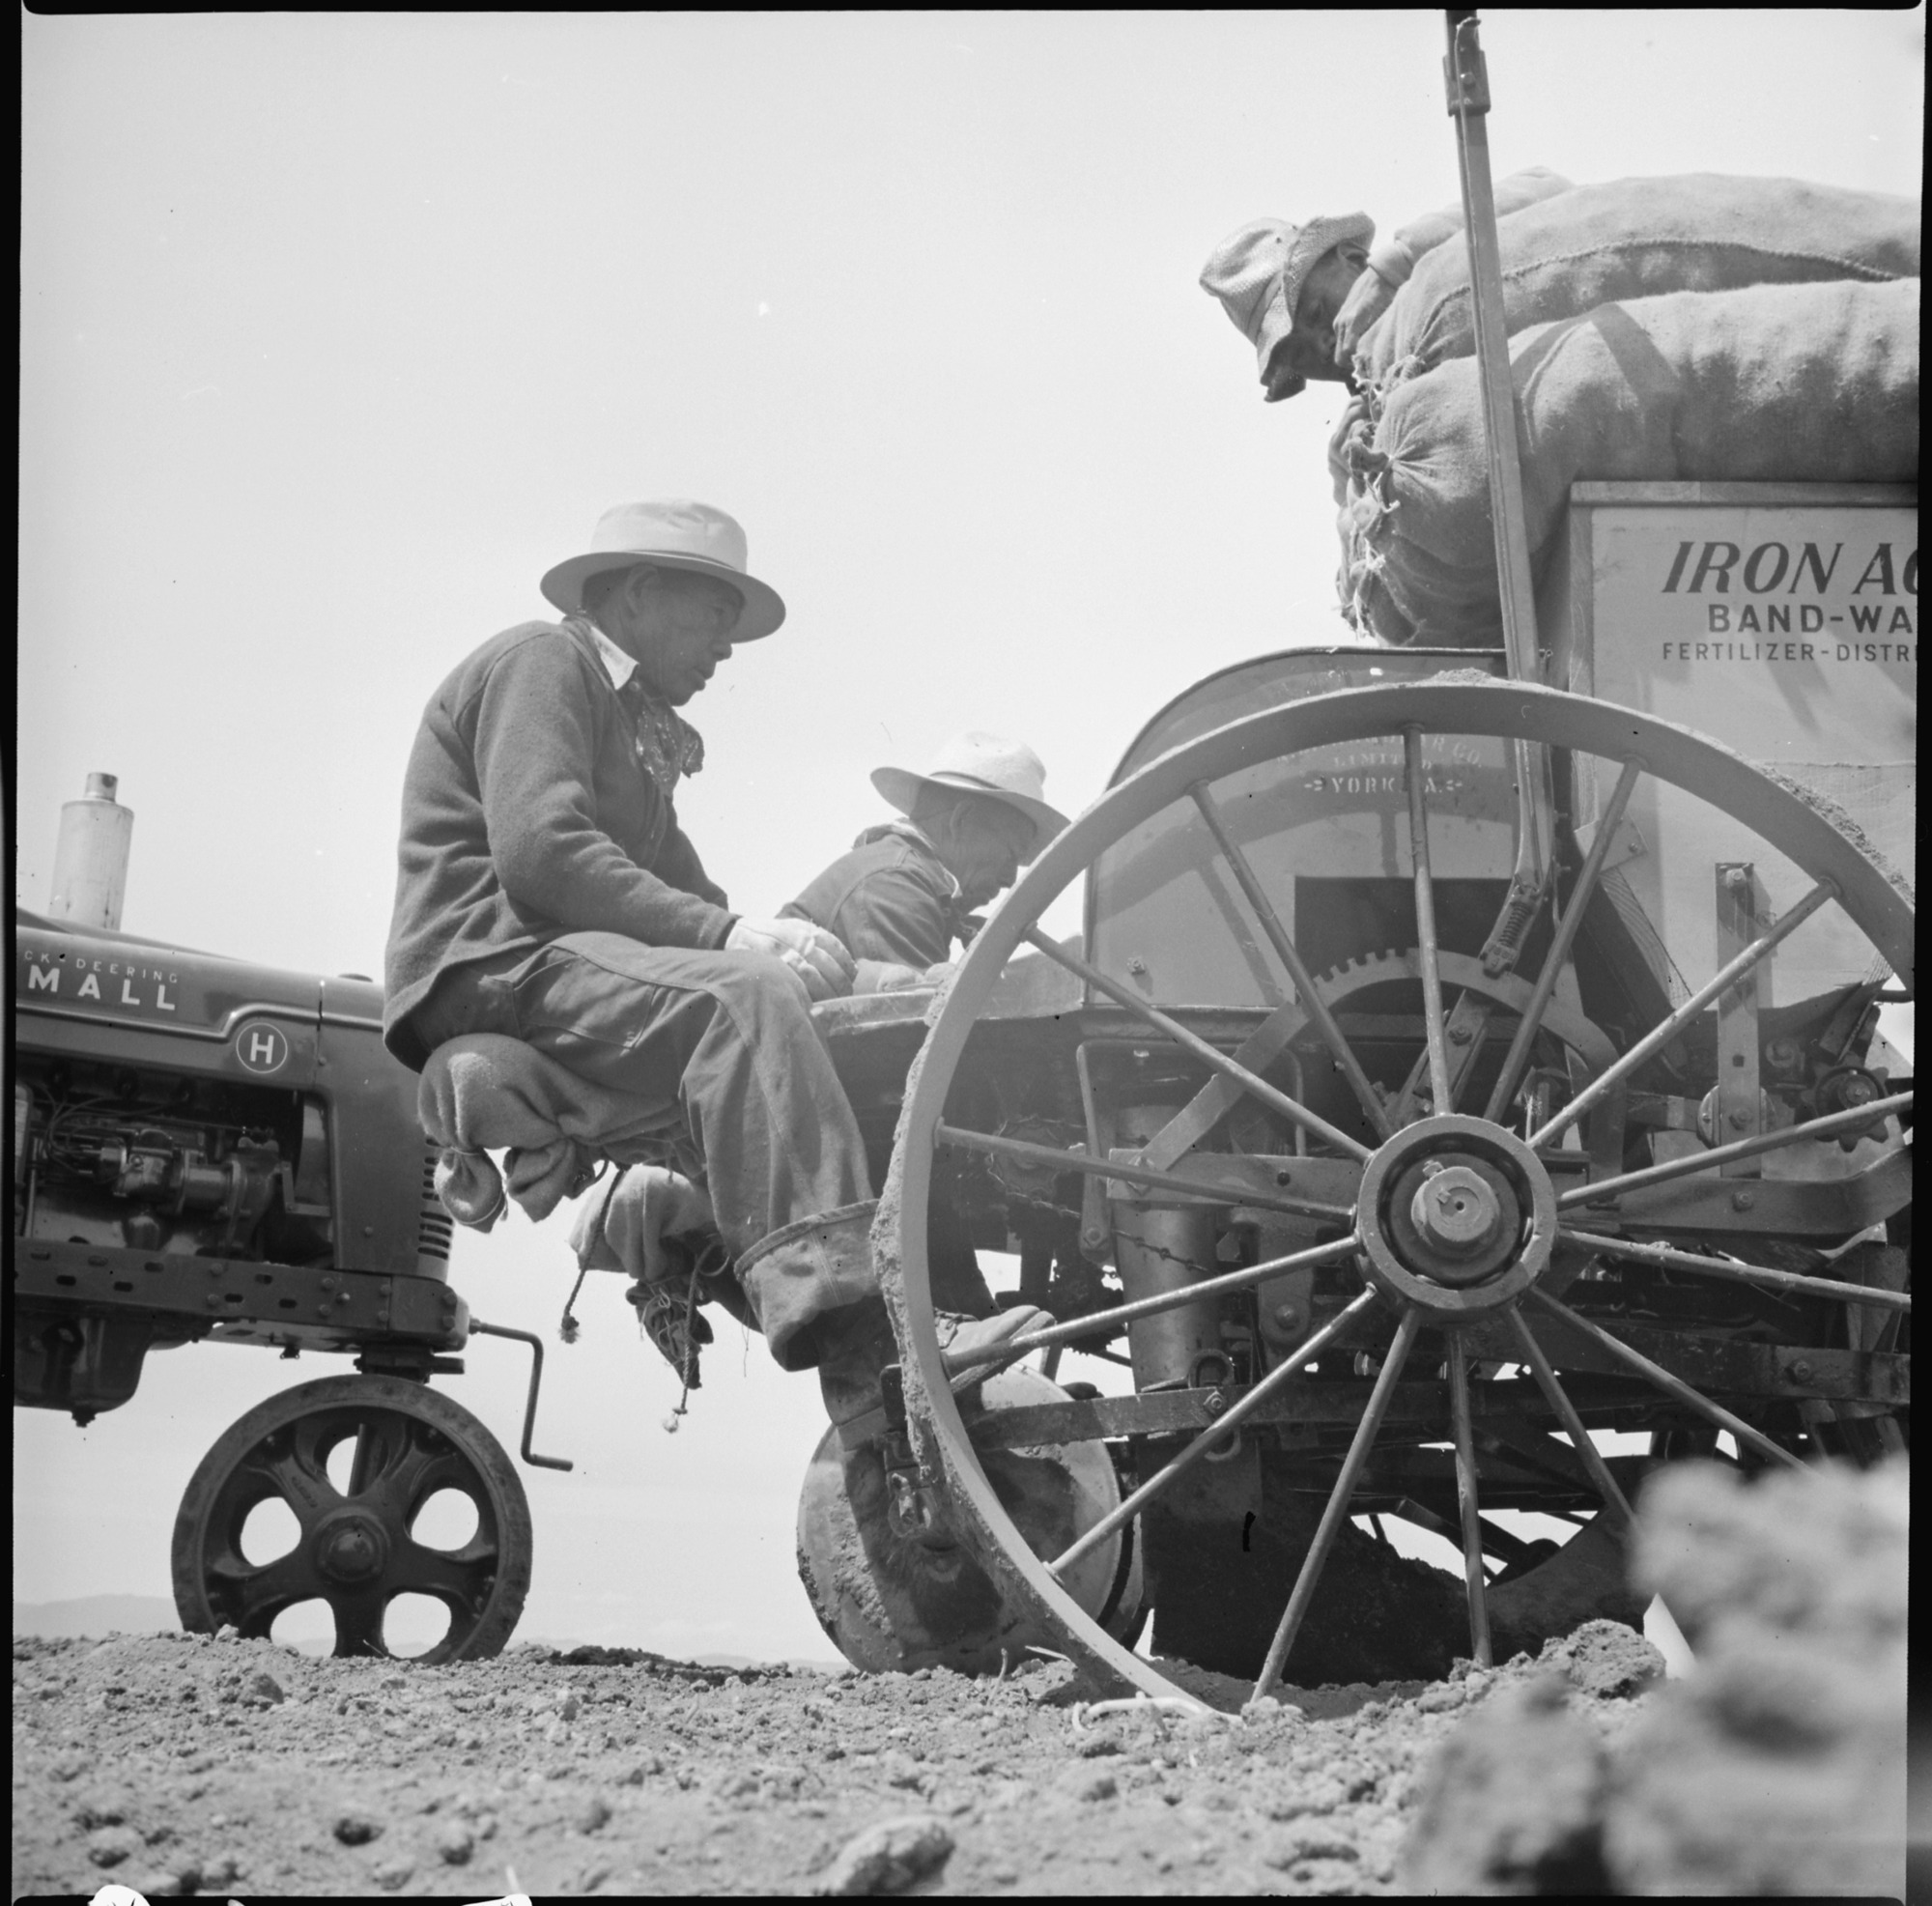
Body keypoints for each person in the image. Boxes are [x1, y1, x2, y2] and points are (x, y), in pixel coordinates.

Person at [383, 498, 1045, 1427]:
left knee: (773, 1000)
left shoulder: (626, 723)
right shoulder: (544, 661)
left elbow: (689, 895)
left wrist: (784, 947)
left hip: (550, 958)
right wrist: (741, 942)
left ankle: (833, 1317)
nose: (726, 651)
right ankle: (866, 1343)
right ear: (644, 593)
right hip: (493, 955)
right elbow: (541, 854)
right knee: (743, 1002)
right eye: (715, 618)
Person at [1197, 167, 1574, 403]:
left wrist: (1393, 269)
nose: (1322, 344)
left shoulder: (1437, 262)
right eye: (1298, 356)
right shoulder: (1373, 436)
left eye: (1316, 312)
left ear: (1354, 260)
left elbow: (1549, 189)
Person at [781, 732, 1069, 991]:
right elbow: (915, 1034)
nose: (1009, 879)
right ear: (962, 821)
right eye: (1010, 854)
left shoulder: (909, 877)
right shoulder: (895, 885)